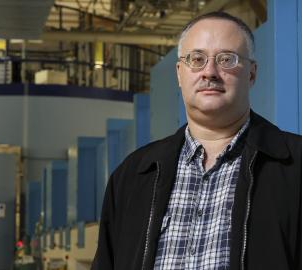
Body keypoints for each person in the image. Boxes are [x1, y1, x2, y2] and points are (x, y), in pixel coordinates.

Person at [92, 11, 302, 270]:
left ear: (251, 74)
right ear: (180, 74)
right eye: (197, 59)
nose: (210, 72)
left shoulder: (295, 166)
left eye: (227, 59)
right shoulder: (132, 175)